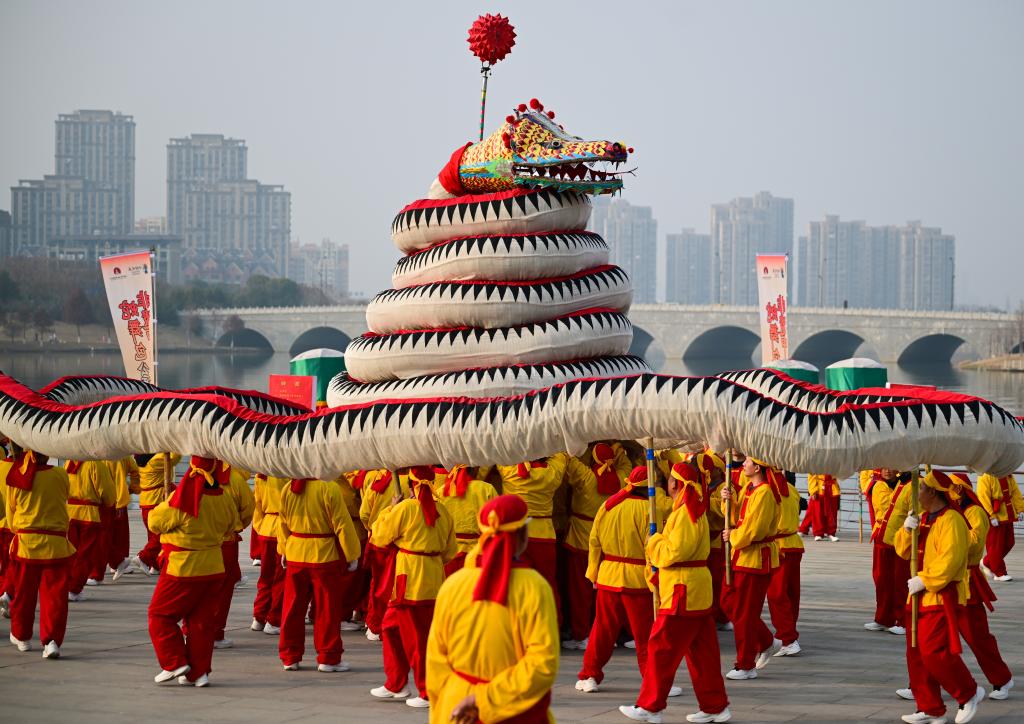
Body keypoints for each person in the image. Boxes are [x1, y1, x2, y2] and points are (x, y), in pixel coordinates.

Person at [425, 494, 559, 723]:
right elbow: (542, 664)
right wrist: (483, 699)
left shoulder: (452, 584)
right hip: (511, 710)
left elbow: (435, 663)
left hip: (456, 707)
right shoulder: (535, 587)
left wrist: (448, 706)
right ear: (523, 534)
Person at [620, 461, 732, 724]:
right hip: (693, 590)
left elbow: (673, 552)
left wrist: (654, 541)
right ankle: (715, 706)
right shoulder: (690, 510)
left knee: (660, 649)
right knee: (703, 655)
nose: (666, 484)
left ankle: (651, 706)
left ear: (675, 484)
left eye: (669, 480)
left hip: (682, 590)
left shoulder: (684, 513)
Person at [895, 470, 985, 724]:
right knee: (915, 653)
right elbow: (903, 552)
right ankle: (929, 706)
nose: (917, 493)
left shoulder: (952, 519)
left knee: (934, 651)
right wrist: (905, 529)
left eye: (920, 488)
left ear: (932, 492)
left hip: (938, 593)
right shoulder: (923, 518)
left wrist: (926, 579)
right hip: (917, 595)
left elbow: (952, 558)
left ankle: (968, 692)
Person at [147, 455, 241, 686]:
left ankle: (174, 662)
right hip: (213, 565)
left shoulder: (183, 500)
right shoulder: (224, 498)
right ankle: (199, 672)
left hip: (183, 566)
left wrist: (165, 501)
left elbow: (154, 523)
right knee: (202, 622)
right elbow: (233, 524)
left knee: (160, 615)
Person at [370, 466, 456, 708]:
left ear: (410, 485)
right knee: (390, 628)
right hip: (431, 576)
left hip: (408, 579)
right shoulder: (443, 510)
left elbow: (379, 535)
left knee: (417, 640)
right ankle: (395, 683)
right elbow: (450, 551)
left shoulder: (406, 508)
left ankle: (428, 691)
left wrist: (391, 507)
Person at [576, 466, 656, 693]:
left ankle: (589, 675)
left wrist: (593, 573)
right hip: (637, 579)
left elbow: (594, 541)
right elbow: (652, 547)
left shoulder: (608, 505)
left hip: (608, 575)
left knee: (602, 630)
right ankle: (653, 680)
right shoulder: (650, 510)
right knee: (645, 634)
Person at [277, 475, 362, 673]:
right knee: (327, 609)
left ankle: (290, 656)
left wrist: (284, 549)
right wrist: (352, 554)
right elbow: (341, 523)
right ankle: (328, 657)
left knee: (292, 608)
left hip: (296, 551)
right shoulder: (329, 488)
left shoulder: (289, 487)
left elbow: (283, 523)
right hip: (323, 554)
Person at [2, 445, 75, 658]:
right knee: (55, 598)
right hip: (56, 545)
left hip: (27, 543)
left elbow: (11, 512)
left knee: (24, 594)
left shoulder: (17, 477)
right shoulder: (61, 474)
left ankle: (22, 636)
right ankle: (51, 641)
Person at [946, 473, 1013, 700]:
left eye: (950, 487)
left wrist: (949, 538)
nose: (946, 491)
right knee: (936, 637)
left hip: (967, 582)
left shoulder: (974, 512)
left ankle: (1001, 679)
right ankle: (923, 686)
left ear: (960, 489)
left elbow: (973, 544)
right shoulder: (947, 512)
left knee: (977, 636)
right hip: (943, 580)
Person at [561, 442, 629, 650]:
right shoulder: (620, 478)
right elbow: (626, 464)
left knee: (579, 591)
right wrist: (617, 447)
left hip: (580, 540)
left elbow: (569, 459)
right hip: (607, 541)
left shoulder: (586, 476)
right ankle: (604, 632)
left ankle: (582, 634)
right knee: (602, 593)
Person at [719, 456, 782, 680]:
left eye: (747, 462)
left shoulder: (765, 493)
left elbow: (754, 529)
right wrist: (728, 501)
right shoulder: (750, 488)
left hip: (755, 557)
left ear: (757, 467)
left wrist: (733, 536)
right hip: (741, 555)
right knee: (728, 602)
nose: (743, 464)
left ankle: (745, 665)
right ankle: (766, 641)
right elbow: (737, 517)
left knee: (745, 613)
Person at [497, 453, 570, 621]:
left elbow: (498, 449)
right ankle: (553, 625)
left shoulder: (508, 469)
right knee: (547, 583)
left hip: (514, 534)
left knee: (513, 582)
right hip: (544, 535)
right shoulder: (551, 473)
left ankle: (515, 624)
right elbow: (562, 455)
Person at [358, 468, 407, 641]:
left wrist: (373, 528)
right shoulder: (413, 483)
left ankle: (374, 624)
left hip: (377, 540)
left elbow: (364, 513)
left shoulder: (376, 479)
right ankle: (387, 624)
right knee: (395, 587)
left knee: (377, 584)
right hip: (401, 545)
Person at [212, 463, 254, 650]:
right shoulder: (236, 479)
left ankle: (193, 632)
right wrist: (236, 525)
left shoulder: (191, 480)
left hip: (199, 543)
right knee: (223, 591)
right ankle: (216, 634)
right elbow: (248, 509)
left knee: (200, 591)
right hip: (227, 541)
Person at [865, 468, 911, 634]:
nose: (888, 470)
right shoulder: (878, 485)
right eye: (883, 466)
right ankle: (883, 618)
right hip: (882, 535)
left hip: (902, 537)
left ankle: (902, 619)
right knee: (882, 579)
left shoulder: (908, 484)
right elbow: (888, 507)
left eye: (892, 466)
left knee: (900, 580)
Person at [64, 459, 116, 600]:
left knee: (72, 552)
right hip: (90, 514)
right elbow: (108, 493)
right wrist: (109, 502)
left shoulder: (68, 462)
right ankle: (74, 588)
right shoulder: (96, 464)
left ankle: (68, 585)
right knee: (86, 554)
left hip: (70, 513)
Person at [435, 465, 497, 576]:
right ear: (474, 468)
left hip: (448, 555)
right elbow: (497, 522)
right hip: (478, 554)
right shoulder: (487, 489)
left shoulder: (441, 491)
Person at [767, 473, 803, 657]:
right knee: (790, 593)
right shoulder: (791, 488)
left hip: (780, 546)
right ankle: (788, 634)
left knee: (777, 594)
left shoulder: (768, 491)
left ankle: (787, 637)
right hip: (793, 544)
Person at [132, 453, 181, 575]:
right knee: (160, 535)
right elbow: (175, 456)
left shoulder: (138, 461)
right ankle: (143, 558)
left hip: (145, 502)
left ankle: (155, 565)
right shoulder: (155, 461)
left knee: (152, 534)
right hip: (156, 501)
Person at [251, 474, 287, 635]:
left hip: (267, 526)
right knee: (280, 579)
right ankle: (274, 619)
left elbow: (257, 506)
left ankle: (259, 617)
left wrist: (260, 528)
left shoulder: (261, 475)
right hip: (283, 528)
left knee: (266, 577)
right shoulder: (288, 472)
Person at [976, 473, 1023, 582]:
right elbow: (983, 496)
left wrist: (1020, 509)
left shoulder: (1007, 473)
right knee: (995, 546)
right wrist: (991, 515)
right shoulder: (985, 475)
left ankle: (987, 562)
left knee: (1009, 542)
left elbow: (1015, 492)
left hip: (1007, 512)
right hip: (995, 515)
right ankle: (999, 572)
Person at [106, 457, 139, 582]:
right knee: (120, 534)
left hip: (107, 499)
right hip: (119, 497)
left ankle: (117, 562)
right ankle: (118, 562)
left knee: (111, 533)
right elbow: (135, 470)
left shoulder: (99, 455)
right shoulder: (124, 455)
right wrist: (133, 487)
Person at [799, 474, 840, 542]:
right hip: (819, 489)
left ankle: (831, 533)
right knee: (817, 512)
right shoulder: (815, 464)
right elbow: (812, 476)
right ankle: (818, 533)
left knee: (831, 513)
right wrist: (813, 491)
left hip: (832, 489)